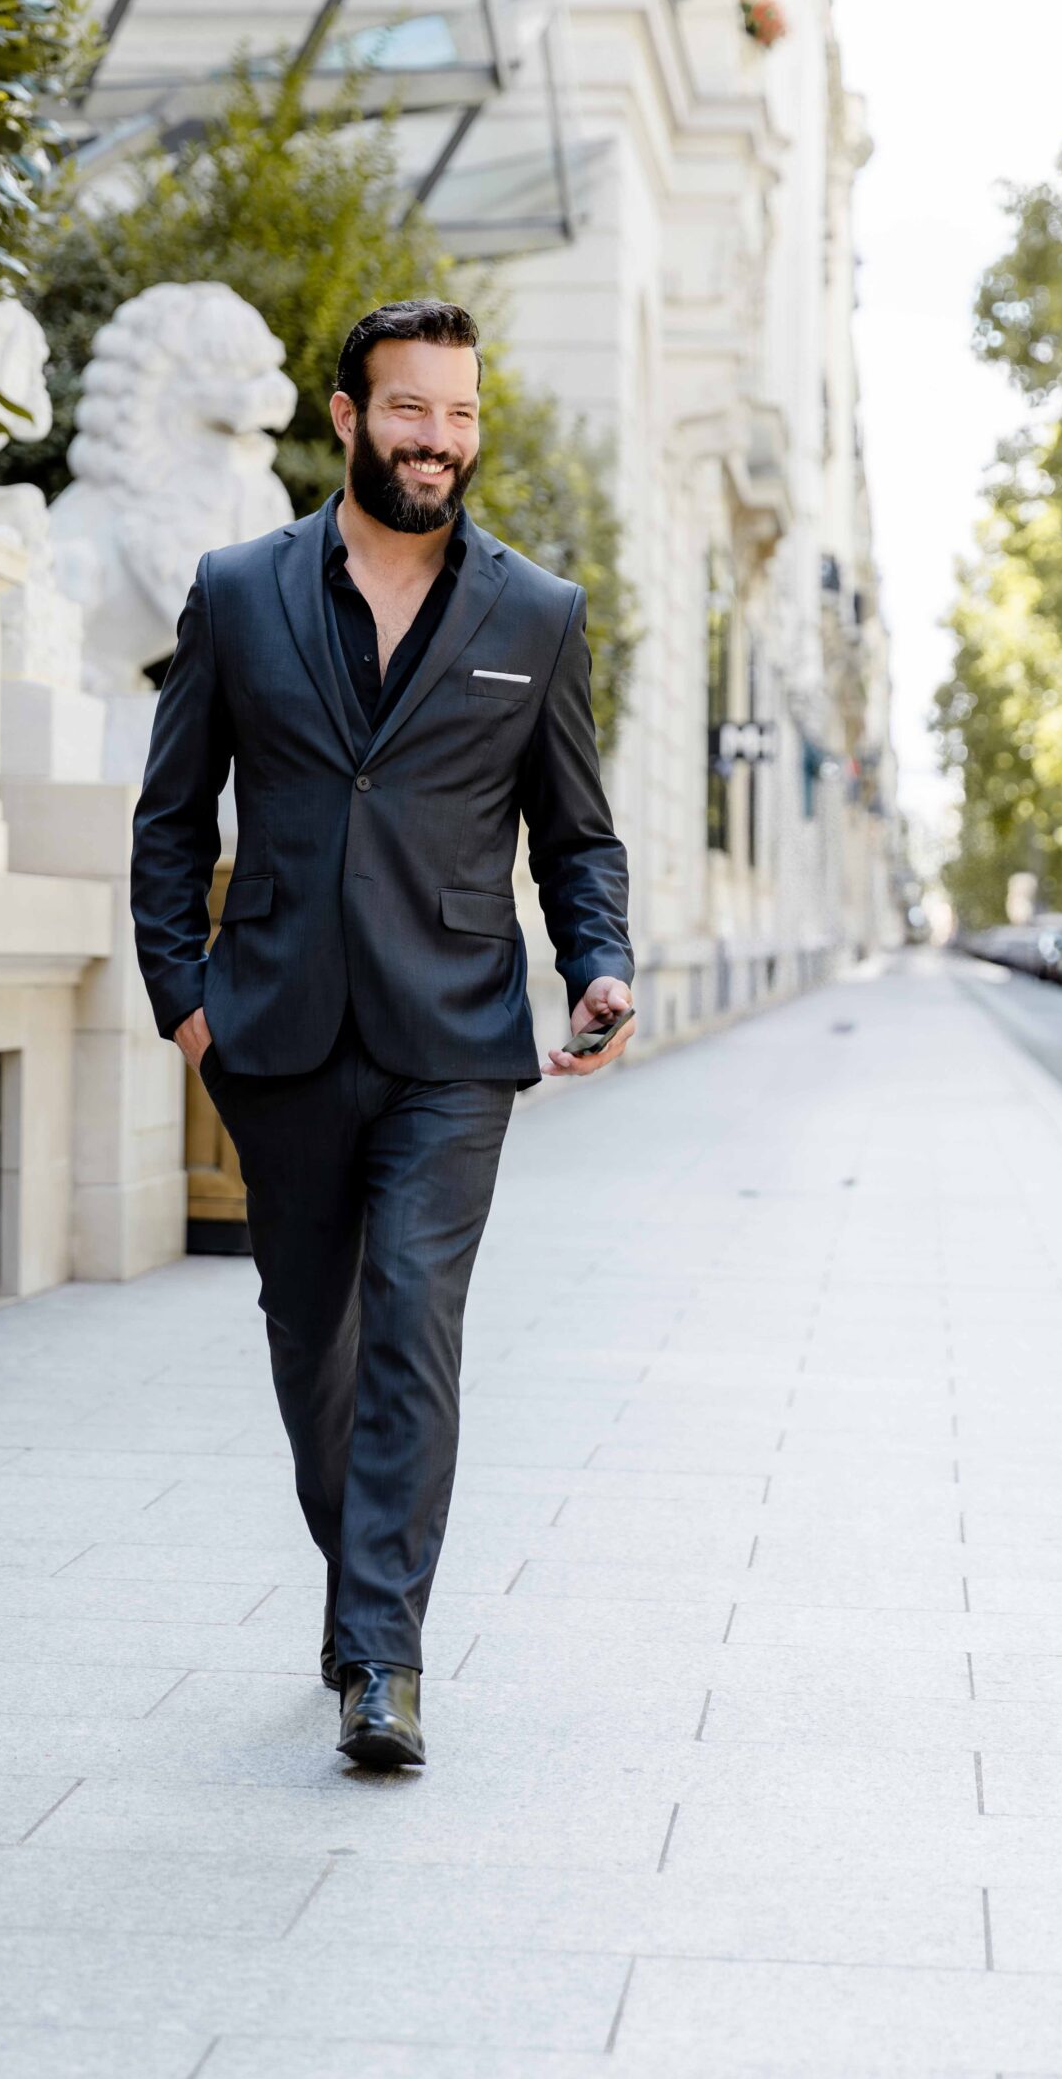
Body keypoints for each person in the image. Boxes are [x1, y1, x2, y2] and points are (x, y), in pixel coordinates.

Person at [130, 297, 633, 1769]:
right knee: (313, 1344)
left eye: (461, 414)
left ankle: (382, 1659)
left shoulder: (533, 613)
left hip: (452, 1039)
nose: (438, 440)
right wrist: (186, 1008)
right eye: (411, 410)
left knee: (413, 1312)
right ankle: (366, 1597)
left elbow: (575, 839)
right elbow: (169, 822)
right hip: (272, 1035)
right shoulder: (238, 591)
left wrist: (595, 964)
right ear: (347, 418)